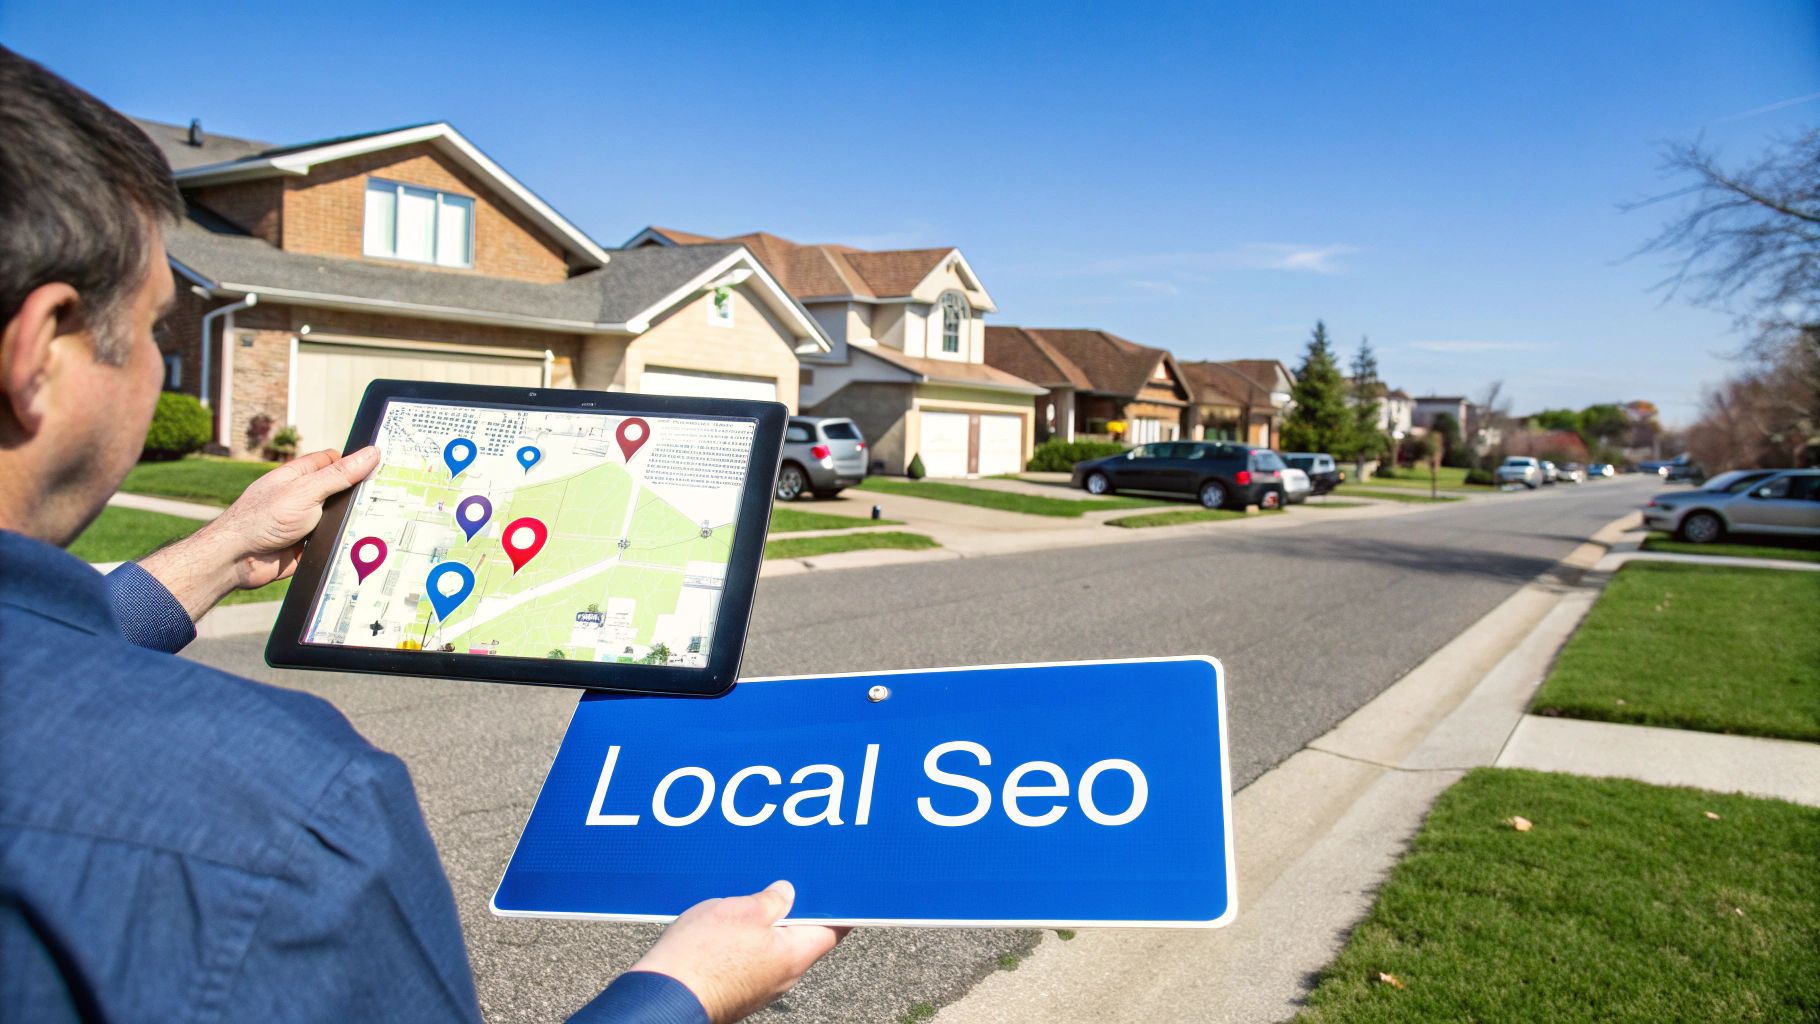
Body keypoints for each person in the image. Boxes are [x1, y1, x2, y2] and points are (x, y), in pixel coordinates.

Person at [0, 45, 844, 1023]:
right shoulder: (285, 811)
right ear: (39, 351)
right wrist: (681, 990)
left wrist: (226, 548)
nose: (159, 364)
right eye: (154, 328)